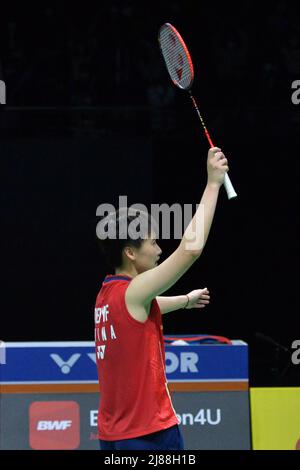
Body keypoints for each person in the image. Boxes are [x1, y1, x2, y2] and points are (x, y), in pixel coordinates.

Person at [94, 147, 229, 450]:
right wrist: (212, 184)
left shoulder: (108, 295)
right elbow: (190, 250)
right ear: (130, 252)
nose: (158, 250)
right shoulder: (134, 291)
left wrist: (185, 300)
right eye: (153, 243)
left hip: (114, 436)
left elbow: (143, 310)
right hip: (148, 434)